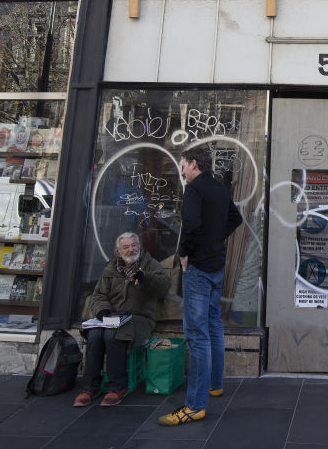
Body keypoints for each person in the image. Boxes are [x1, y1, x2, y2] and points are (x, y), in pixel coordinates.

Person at [158, 147, 242, 426]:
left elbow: (191, 224)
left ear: (194, 164)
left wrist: (184, 254)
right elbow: (235, 219)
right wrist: (215, 239)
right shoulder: (218, 188)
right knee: (213, 323)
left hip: (198, 269)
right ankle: (214, 384)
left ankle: (194, 405)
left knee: (197, 335)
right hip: (217, 265)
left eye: (183, 166)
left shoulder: (194, 189)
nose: (181, 171)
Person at [74, 231, 170, 407]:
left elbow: (163, 287)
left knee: (112, 335)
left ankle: (117, 386)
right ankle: (89, 387)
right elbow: (98, 296)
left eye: (134, 246)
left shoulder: (150, 264)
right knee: (95, 335)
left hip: (139, 318)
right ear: (119, 251)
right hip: (113, 317)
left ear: (139, 247)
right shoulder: (111, 268)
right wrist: (102, 311)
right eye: (126, 247)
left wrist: (145, 278)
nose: (131, 250)